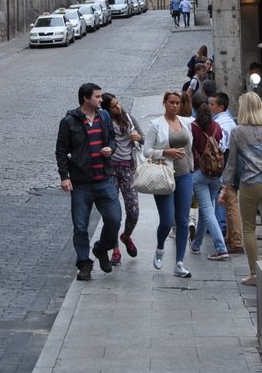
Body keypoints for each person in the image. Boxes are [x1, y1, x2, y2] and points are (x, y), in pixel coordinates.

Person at [55, 82, 121, 282]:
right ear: (86, 98)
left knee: (115, 219)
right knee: (81, 226)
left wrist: (111, 149)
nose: (102, 100)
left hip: (104, 179)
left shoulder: (104, 117)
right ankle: (84, 264)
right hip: (81, 182)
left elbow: (112, 140)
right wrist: (65, 177)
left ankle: (101, 248)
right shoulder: (69, 122)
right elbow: (60, 151)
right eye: (98, 97)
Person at [221, 91, 262, 286]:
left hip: (250, 184)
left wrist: (226, 185)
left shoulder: (238, 132)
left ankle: (255, 274)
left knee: (249, 228)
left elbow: (231, 163)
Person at [143, 89, 195, 278]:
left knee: (183, 220)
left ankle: (179, 263)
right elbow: (146, 150)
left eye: (178, 103)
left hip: (184, 174)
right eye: (171, 102)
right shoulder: (156, 125)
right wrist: (165, 152)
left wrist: (192, 168)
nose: (175, 105)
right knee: (167, 220)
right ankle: (160, 247)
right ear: (164, 102)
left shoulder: (186, 123)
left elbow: (191, 147)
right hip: (164, 174)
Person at [101, 93, 143, 264]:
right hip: (110, 170)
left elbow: (143, 138)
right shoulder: (103, 122)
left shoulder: (128, 118)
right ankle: (115, 249)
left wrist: (138, 138)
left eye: (118, 103)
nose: (118, 107)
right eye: (113, 106)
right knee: (113, 214)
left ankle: (126, 236)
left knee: (133, 210)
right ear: (106, 109)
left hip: (127, 168)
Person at [189, 103, 228, 260]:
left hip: (200, 173)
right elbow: (222, 146)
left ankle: (220, 248)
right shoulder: (217, 126)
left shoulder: (193, 127)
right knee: (207, 210)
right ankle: (196, 244)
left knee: (207, 210)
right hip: (216, 174)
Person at [208, 92, 243, 254]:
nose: (210, 107)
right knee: (228, 201)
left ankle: (233, 238)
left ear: (220, 107)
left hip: (227, 167)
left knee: (229, 202)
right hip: (232, 166)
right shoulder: (230, 122)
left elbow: (221, 148)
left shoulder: (220, 124)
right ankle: (229, 236)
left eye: (212, 104)